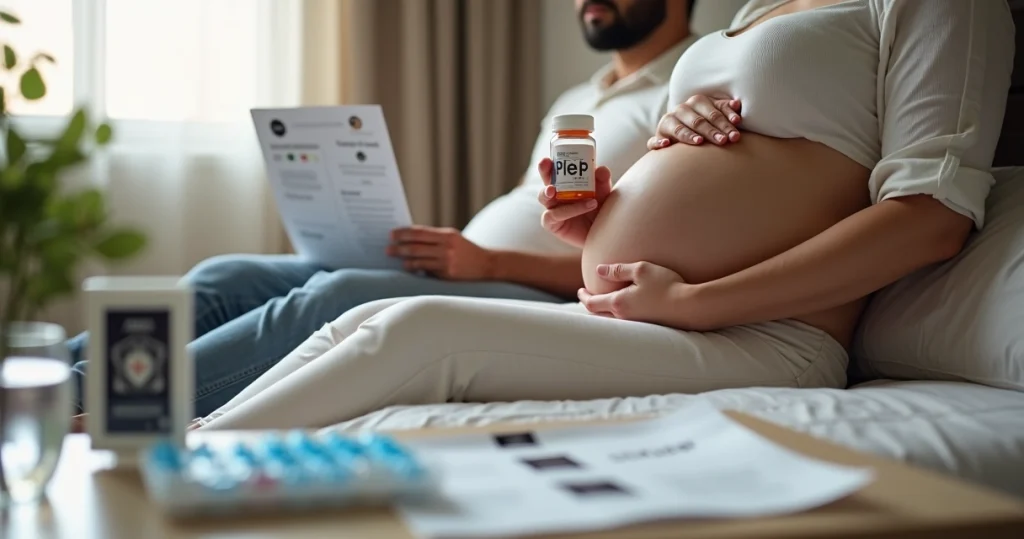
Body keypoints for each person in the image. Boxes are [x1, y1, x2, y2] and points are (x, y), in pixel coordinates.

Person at [195, 0, 1015, 431]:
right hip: (648, 310)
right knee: (361, 319)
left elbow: (930, 217)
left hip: (765, 335)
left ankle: (173, 463)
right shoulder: (761, 10)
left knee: (414, 332)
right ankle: (161, 431)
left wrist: (695, 300)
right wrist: (599, 221)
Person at [67, 0, 701, 417]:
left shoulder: (687, 91)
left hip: (537, 292)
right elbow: (537, 209)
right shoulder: (578, 98)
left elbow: (651, 264)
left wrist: (486, 263)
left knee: (332, 296)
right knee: (226, 275)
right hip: (470, 265)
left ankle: (95, 400)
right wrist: (452, 252)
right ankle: (46, 370)